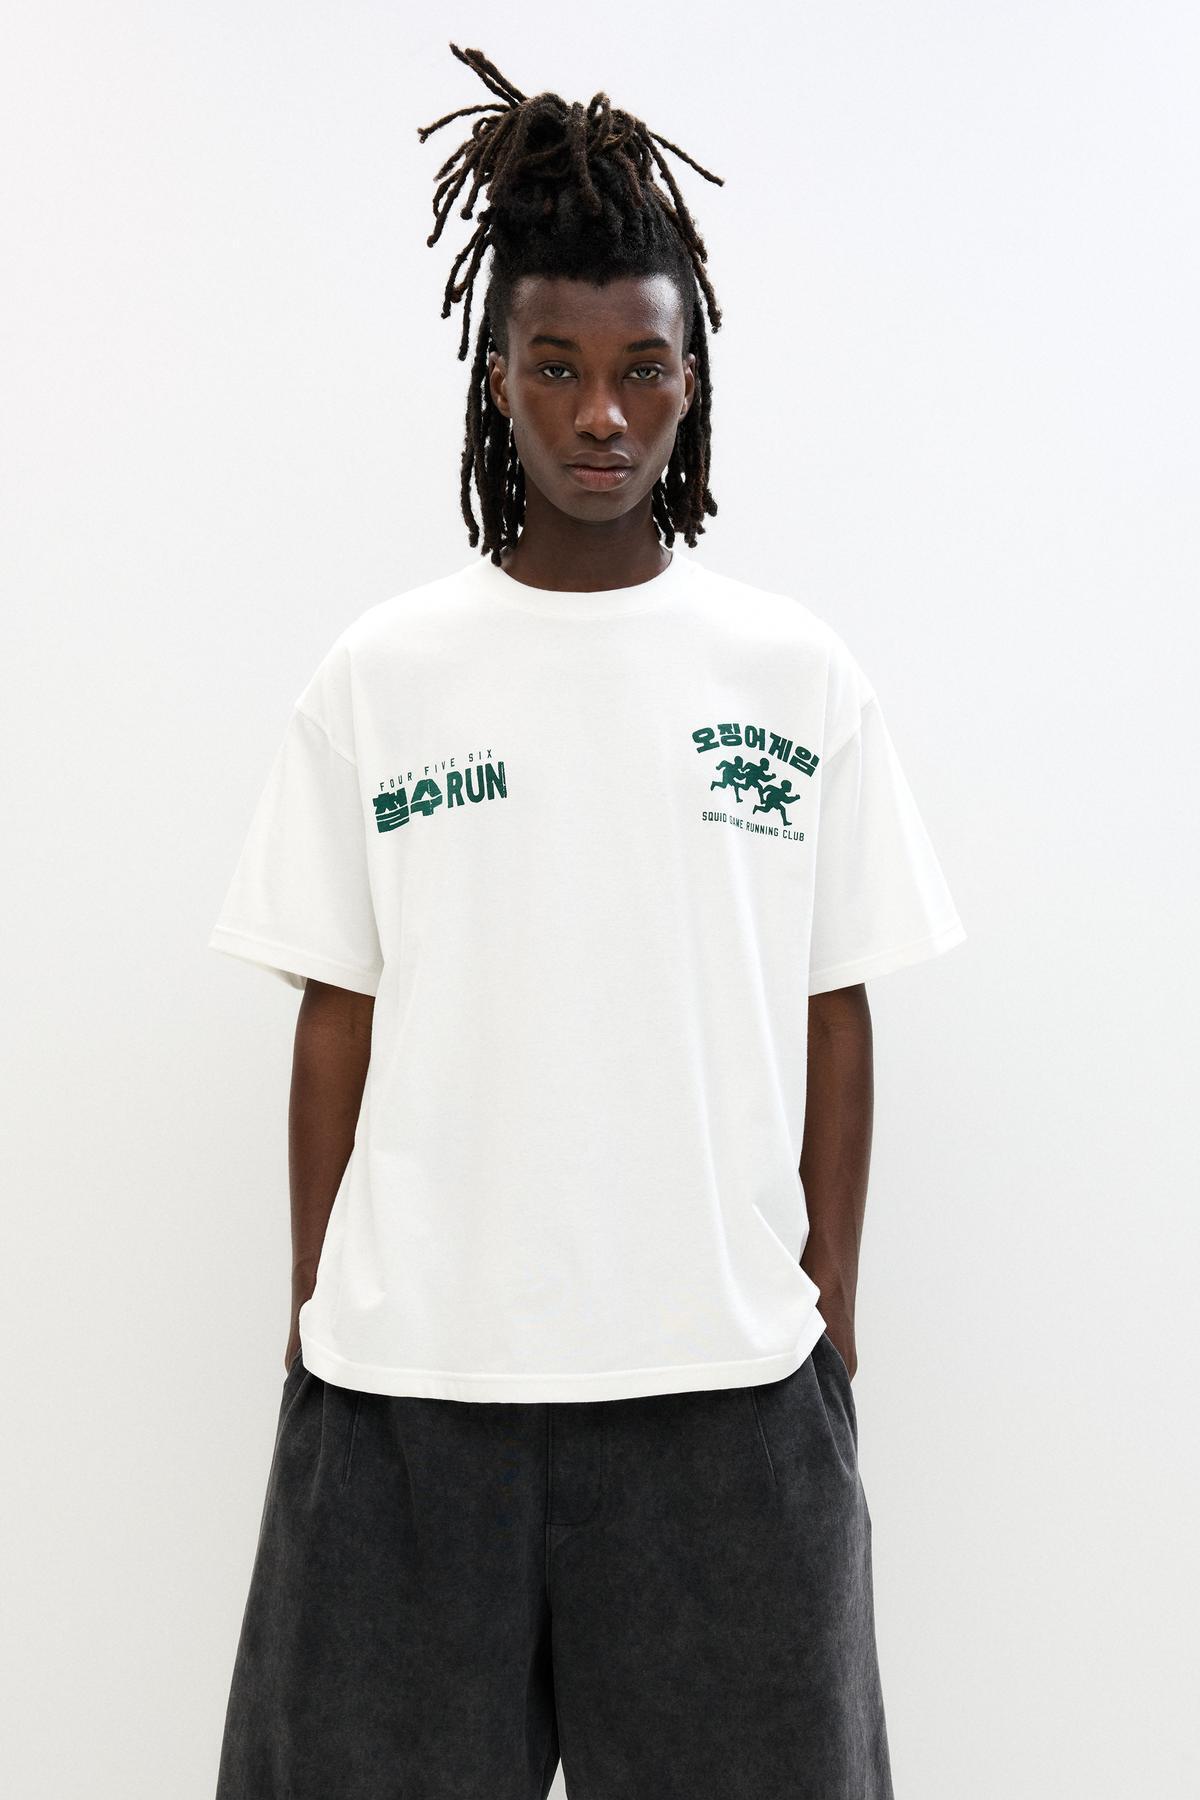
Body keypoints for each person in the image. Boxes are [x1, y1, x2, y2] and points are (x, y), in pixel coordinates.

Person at [208, 43, 966, 1800]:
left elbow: (836, 1002)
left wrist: (829, 1313)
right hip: (409, 1403)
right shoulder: (382, 677)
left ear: (692, 385)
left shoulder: (792, 676)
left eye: (641, 370)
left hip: (726, 1403)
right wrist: (318, 1308)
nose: (601, 414)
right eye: (557, 367)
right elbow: (338, 1011)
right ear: (499, 381)